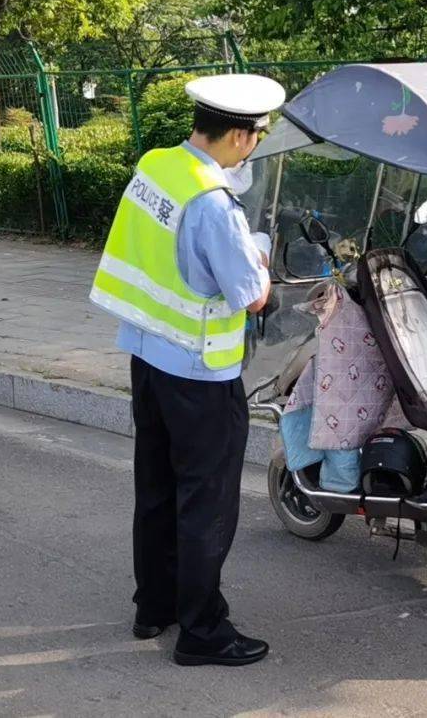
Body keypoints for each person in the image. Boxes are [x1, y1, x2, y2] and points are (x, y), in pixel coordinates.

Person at [89, 73, 284, 667]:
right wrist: (262, 253)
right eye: (260, 135)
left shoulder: (157, 165)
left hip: (147, 358)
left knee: (156, 488)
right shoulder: (212, 203)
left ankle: (156, 607)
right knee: (207, 502)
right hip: (201, 373)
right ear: (242, 138)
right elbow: (252, 296)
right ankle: (202, 632)